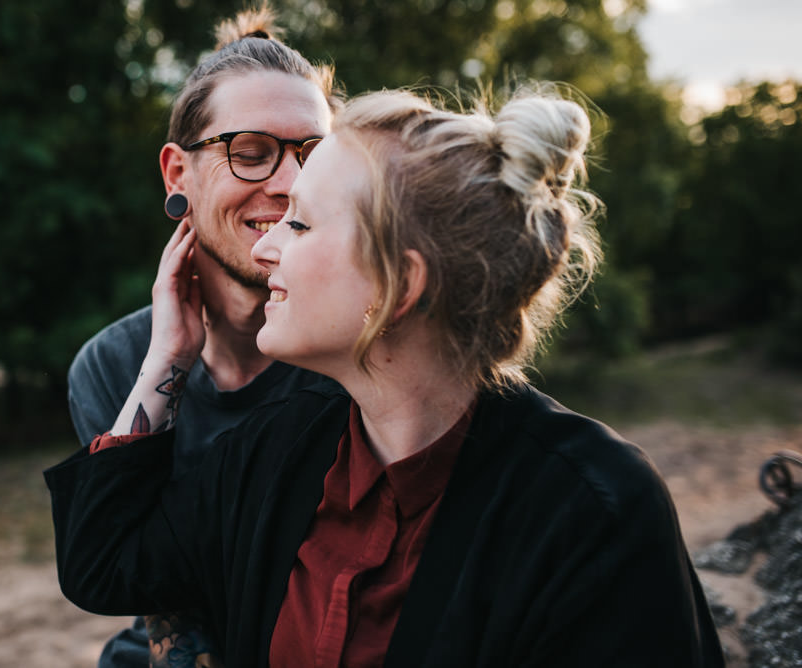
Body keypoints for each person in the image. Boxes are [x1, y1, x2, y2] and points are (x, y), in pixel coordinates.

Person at [47, 86, 725, 666]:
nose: (266, 245)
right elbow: (105, 567)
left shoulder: (594, 513)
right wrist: (167, 358)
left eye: (302, 223)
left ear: (398, 286)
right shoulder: (271, 452)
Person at [63, 6, 341, 667]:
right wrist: (168, 361)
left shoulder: (355, 350)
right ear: (176, 175)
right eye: (250, 155)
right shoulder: (114, 365)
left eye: (315, 156)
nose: (291, 184)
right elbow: (144, 586)